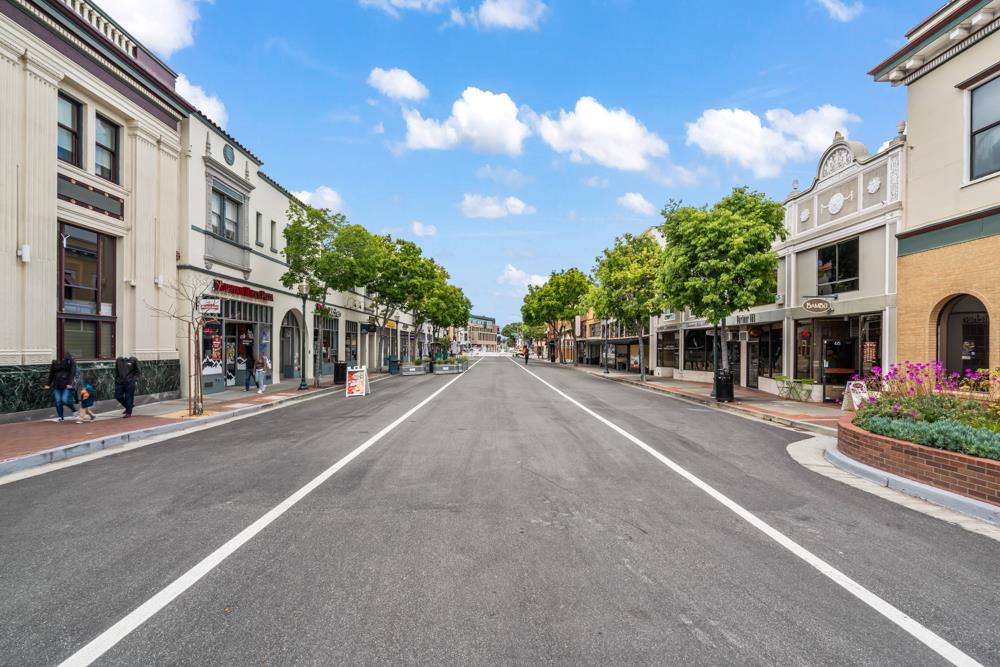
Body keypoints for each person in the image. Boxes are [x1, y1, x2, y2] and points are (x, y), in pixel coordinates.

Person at [44, 353, 78, 422]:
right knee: (58, 401)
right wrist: (48, 384)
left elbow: (72, 372)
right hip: (57, 384)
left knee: (64, 400)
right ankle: (60, 417)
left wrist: (69, 383)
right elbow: (51, 373)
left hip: (67, 384)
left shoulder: (70, 360)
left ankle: (74, 411)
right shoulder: (55, 362)